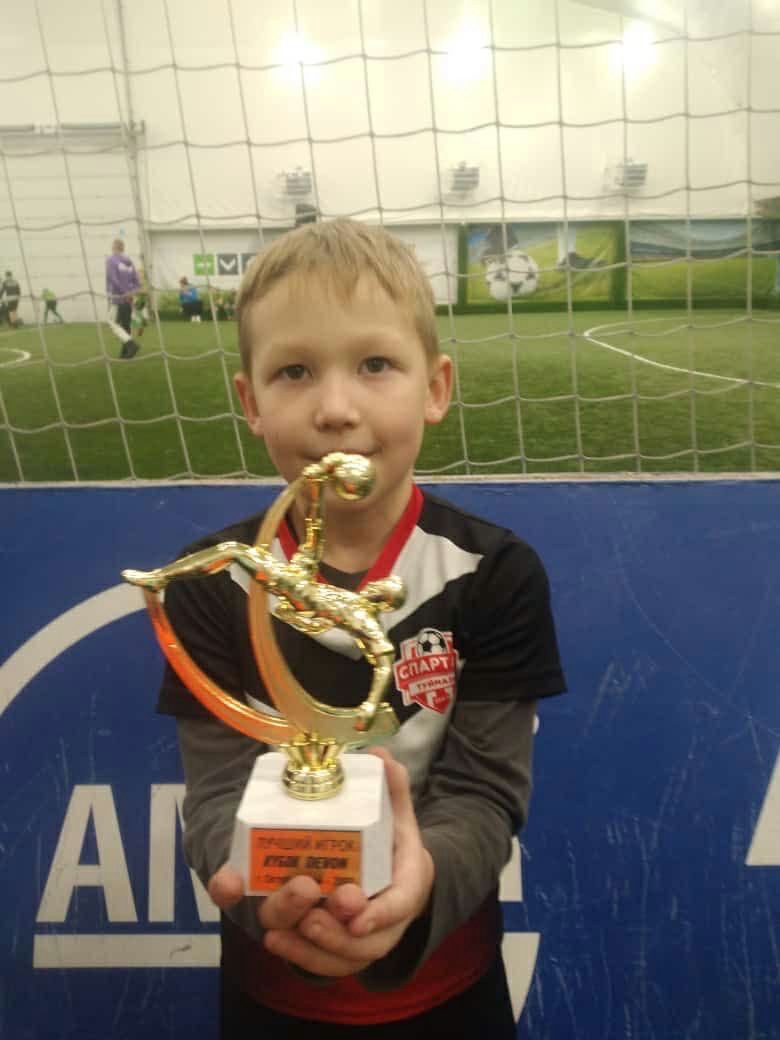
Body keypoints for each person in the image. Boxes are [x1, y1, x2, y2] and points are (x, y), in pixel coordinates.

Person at [153, 218, 566, 1039]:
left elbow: (487, 794)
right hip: (271, 986)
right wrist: (271, 894)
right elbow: (216, 797)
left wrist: (417, 881)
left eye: (375, 364)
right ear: (251, 403)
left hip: (449, 981)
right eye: (295, 371)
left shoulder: (495, 573)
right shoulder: (212, 582)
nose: (336, 410)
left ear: (435, 387)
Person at [105, 238, 140, 336]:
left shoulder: (111, 260)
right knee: (126, 324)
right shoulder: (129, 261)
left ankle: (130, 342)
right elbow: (137, 282)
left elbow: (113, 279)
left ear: (113, 247)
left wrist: (125, 293)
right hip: (129, 298)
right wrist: (131, 292)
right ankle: (128, 343)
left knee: (112, 322)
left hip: (118, 297)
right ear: (123, 248)